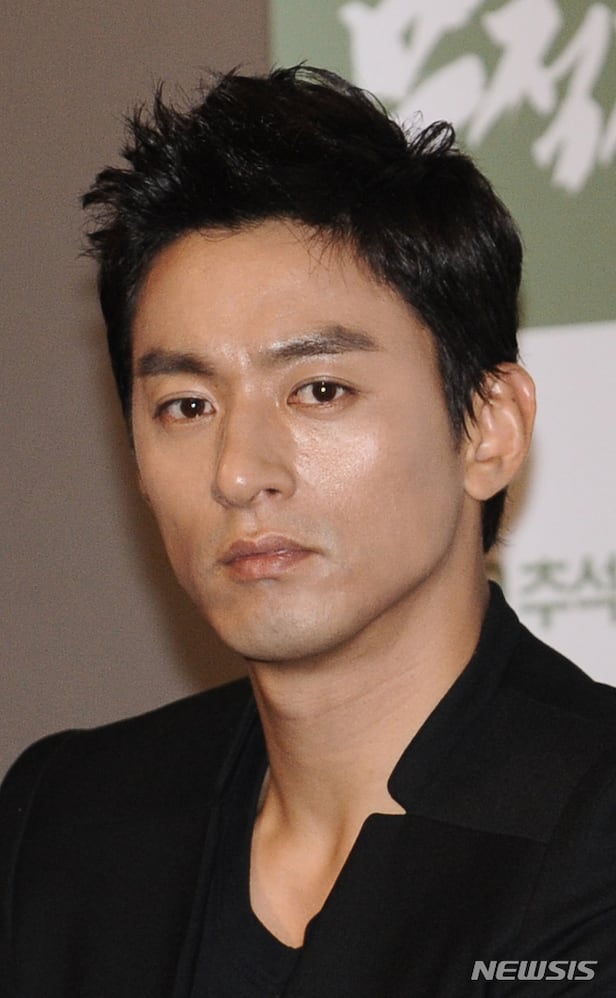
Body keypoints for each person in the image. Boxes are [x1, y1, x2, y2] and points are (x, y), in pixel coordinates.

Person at [1, 65, 614, 998]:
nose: (238, 471)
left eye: (319, 391)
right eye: (187, 405)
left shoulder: (593, 830)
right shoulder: (63, 823)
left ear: (488, 430)